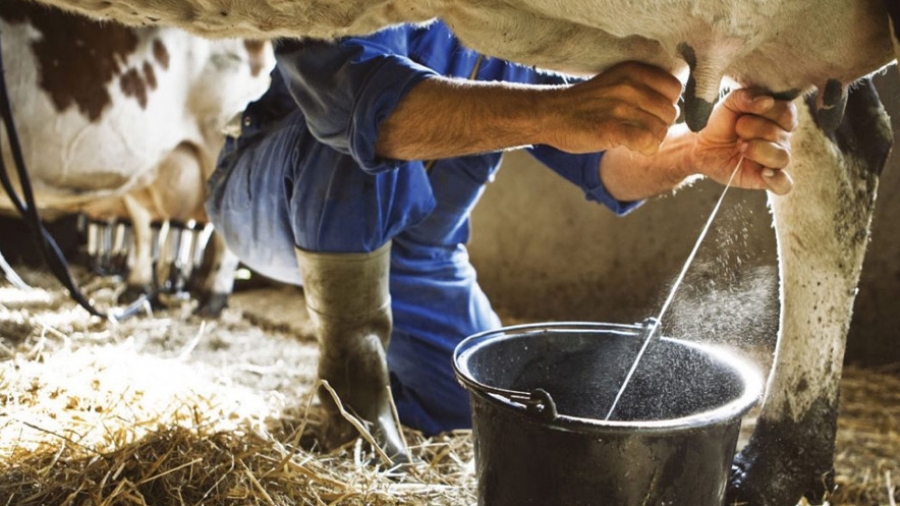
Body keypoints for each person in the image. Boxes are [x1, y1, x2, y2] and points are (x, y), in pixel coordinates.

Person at [205, 20, 797, 460]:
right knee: (357, 131)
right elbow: (358, 105)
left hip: (419, 257)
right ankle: (351, 392)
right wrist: (557, 112)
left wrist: (695, 151)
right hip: (270, 193)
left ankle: (397, 387)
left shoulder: (518, 23)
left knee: (484, 408)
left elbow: (607, 163)